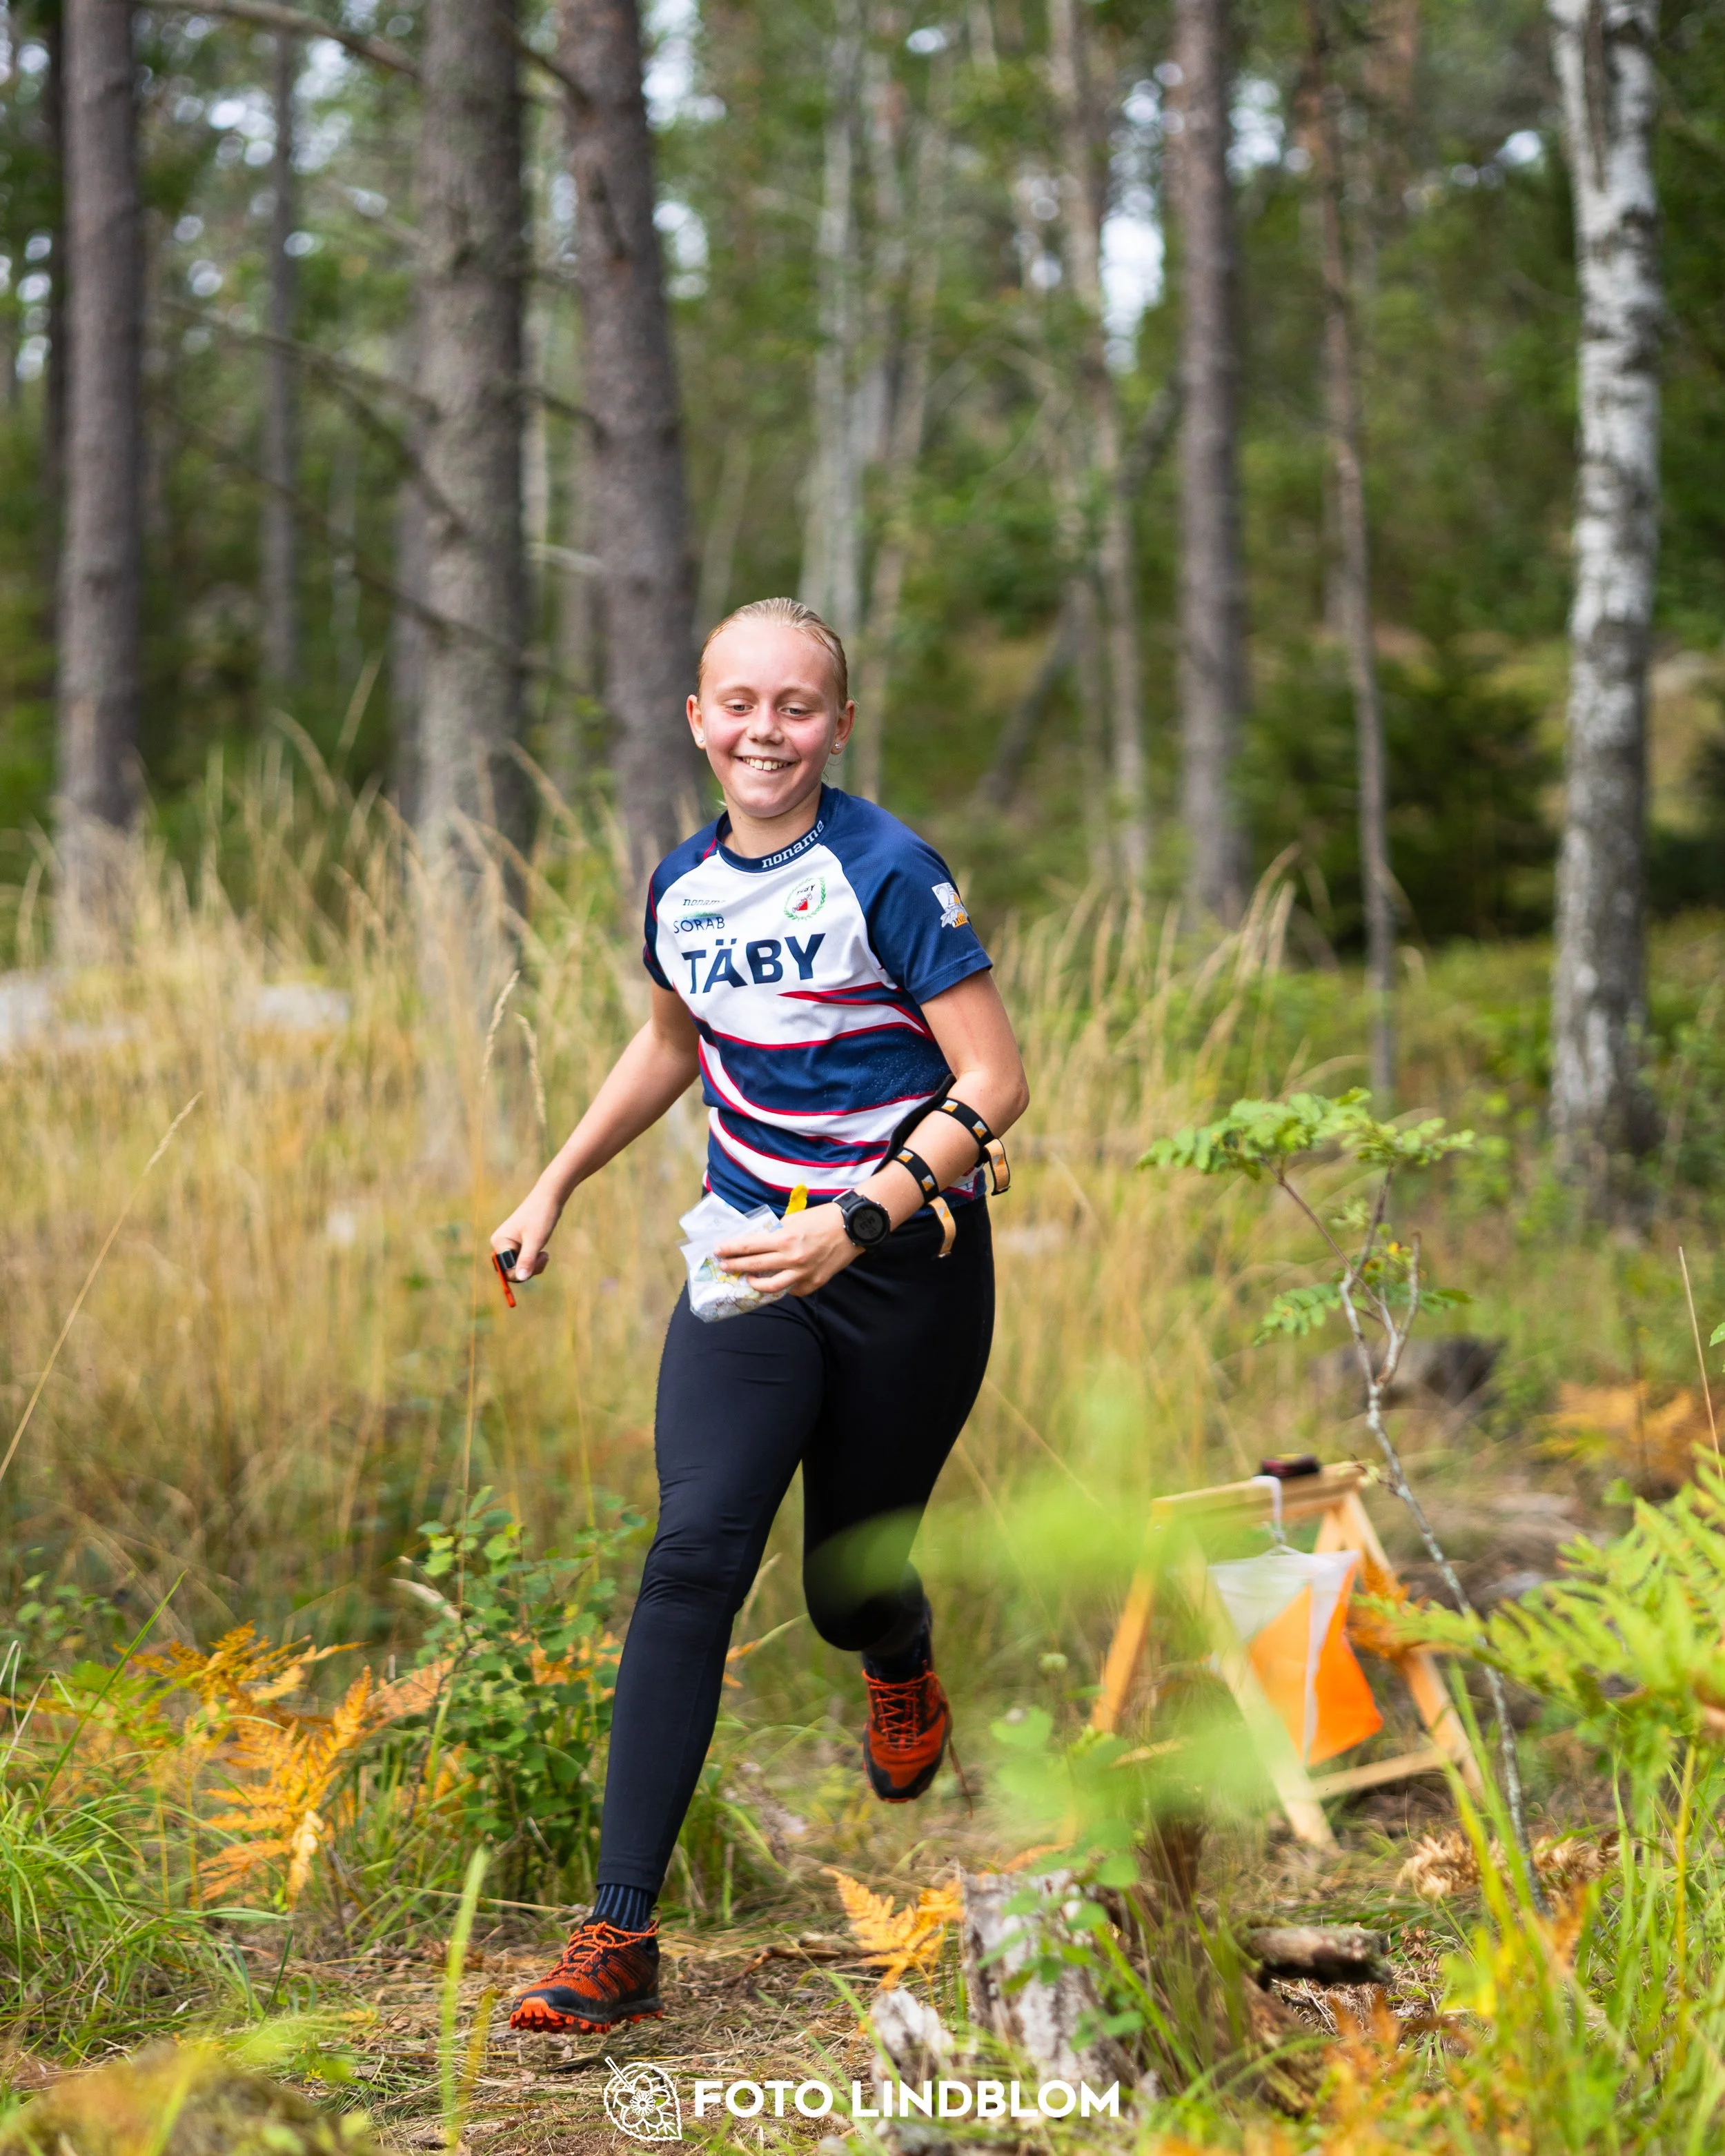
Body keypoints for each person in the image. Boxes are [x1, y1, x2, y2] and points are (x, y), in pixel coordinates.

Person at [496, 597, 1029, 2035]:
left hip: (902, 1268)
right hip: (743, 1258)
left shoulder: (887, 869)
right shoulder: (679, 882)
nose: (763, 729)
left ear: (836, 724)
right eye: (737, 702)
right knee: (691, 1555)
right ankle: (616, 1934)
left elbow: (991, 1080)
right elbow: (673, 1039)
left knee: (841, 1584)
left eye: (795, 705)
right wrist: (553, 1183)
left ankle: (896, 1652)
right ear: (695, 717)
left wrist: (860, 1217)